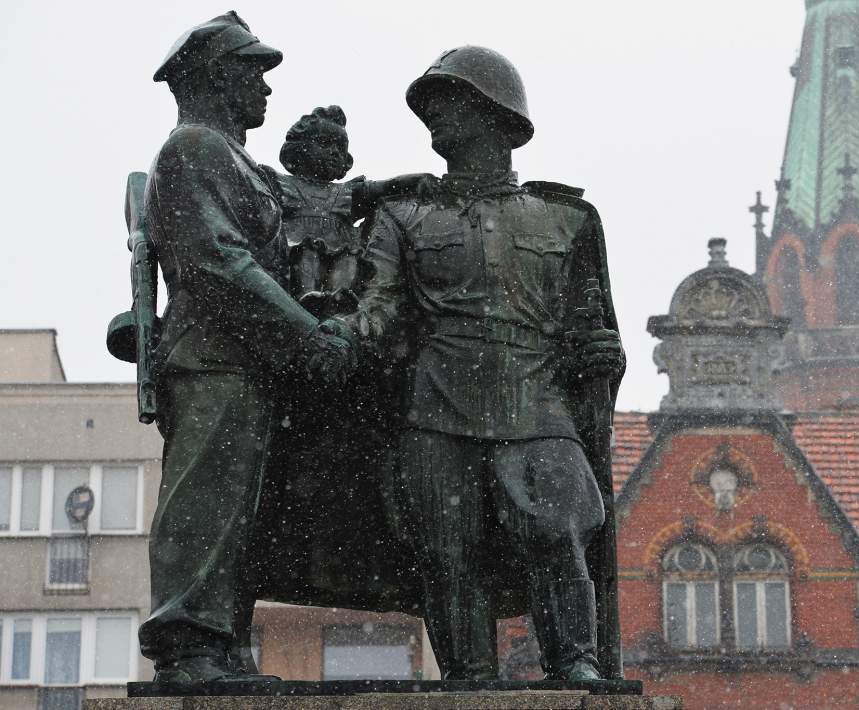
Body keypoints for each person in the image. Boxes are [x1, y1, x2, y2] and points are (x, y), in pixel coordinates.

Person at [344, 46, 625, 681]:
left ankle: (574, 663)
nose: (432, 117)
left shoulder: (568, 218)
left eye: (448, 102)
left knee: (560, 531)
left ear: (495, 113)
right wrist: (339, 332)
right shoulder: (402, 213)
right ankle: (471, 677)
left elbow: (594, 327)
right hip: (436, 405)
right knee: (448, 553)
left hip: (538, 403)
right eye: (428, 106)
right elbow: (380, 305)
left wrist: (606, 358)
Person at [137, 11, 354, 685]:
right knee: (207, 500)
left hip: (248, 366)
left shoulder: (234, 159)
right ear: (212, 78)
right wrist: (304, 329)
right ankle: (187, 643)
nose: (264, 88)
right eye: (250, 73)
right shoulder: (193, 149)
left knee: (241, 511)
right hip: (213, 360)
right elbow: (218, 262)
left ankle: (222, 642)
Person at [265, 105, 427, 318]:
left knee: (350, 257)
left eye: (340, 148)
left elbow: (384, 187)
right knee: (307, 251)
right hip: (293, 248)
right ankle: (307, 297)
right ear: (298, 150)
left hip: (340, 246)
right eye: (325, 143)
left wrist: (415, 180)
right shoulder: (280, 183)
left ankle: (341, 299)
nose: (334, 152)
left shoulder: (347, 191)